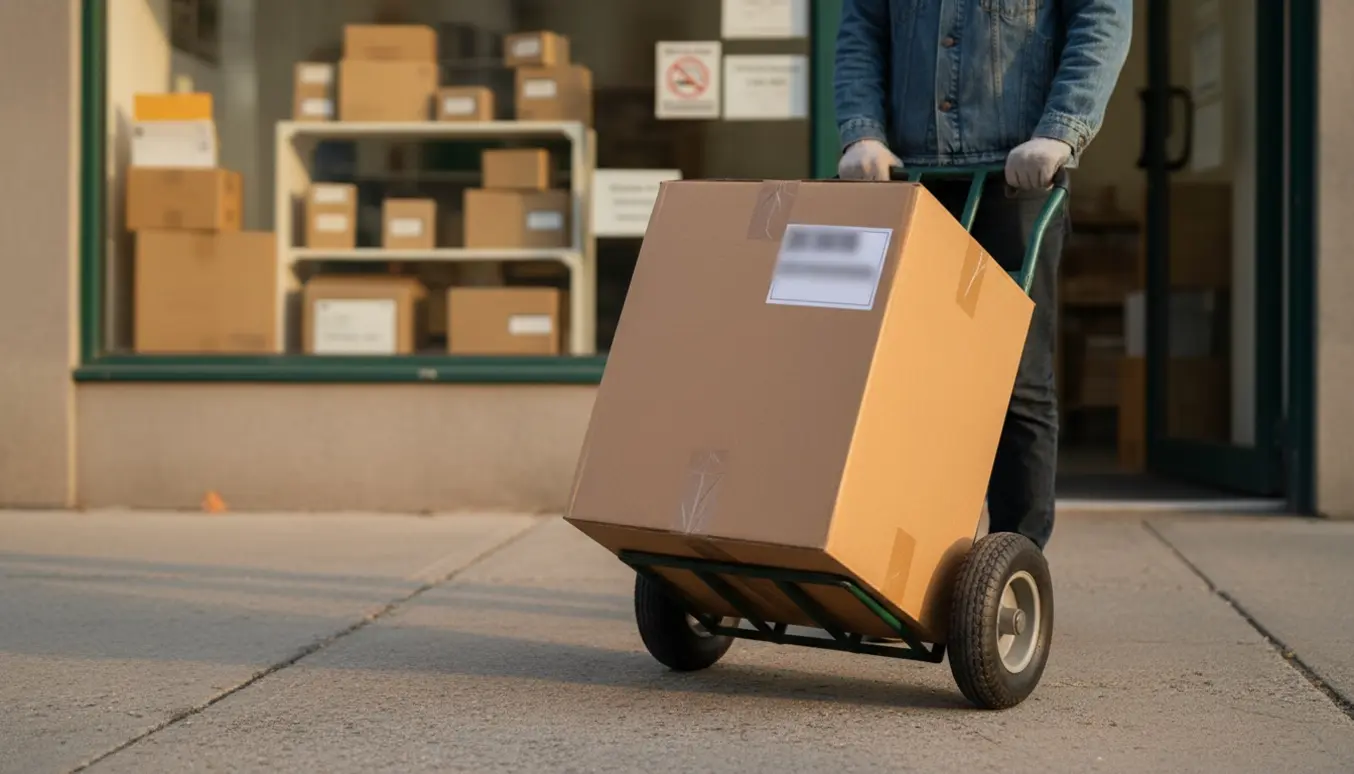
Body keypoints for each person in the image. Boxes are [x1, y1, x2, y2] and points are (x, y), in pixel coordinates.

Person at [834, 0, 1131, 551]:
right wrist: (861, 133)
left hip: (1015, 174)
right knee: (899, 375)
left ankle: (1013, 566)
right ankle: (903, 552)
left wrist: (1061, 131)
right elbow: (861, 28)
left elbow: (1102, 19)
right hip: (908, 172)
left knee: (1016, 380)